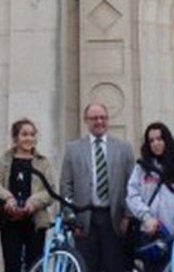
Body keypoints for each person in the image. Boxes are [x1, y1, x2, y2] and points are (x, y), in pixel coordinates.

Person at [61, 103, 135, 272]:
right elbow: (66, 186)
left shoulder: (124, 148)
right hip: (84, 220)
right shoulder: (73, 149)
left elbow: (132, 185)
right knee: (87, 266)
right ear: (86, 120)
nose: (99, 121)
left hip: (114, 219)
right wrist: (71, 219)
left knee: (114, 266)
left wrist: (128, 216)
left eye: (103, 118)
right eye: (94, 118)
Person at [126, 123, 174, 272]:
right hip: (150, 233)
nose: (156, 143)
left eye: (159, 139)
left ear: (167, 140)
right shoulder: (141, 168)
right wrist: (146, 217)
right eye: (151, 140)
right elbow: (132, 195)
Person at [0, 118, 55, 272]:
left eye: (32, 134)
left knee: (35, 265)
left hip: (35, 221)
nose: (29, 138)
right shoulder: (5, 160)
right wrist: (8, 198)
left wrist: (32, 203)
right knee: (12, 265)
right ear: (15, 137)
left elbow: (50, 191)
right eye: (24, 134)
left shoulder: (43, 162)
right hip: (9, 220)